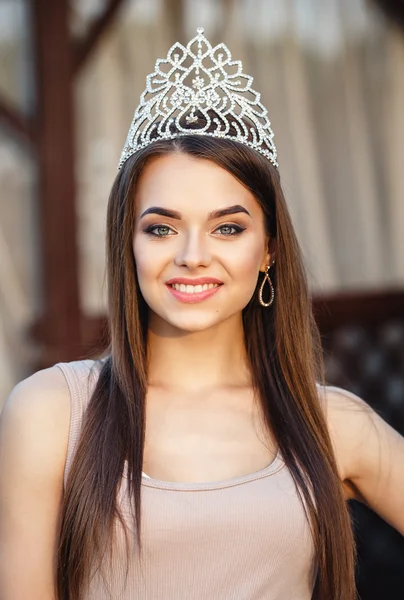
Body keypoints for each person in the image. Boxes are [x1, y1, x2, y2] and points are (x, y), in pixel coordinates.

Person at [0, 27, 403, 600]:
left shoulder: (332, 422)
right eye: (161, 228)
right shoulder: (50, 414)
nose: (192, 256)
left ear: (268, 251)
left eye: (228, 228)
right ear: (128, 244)